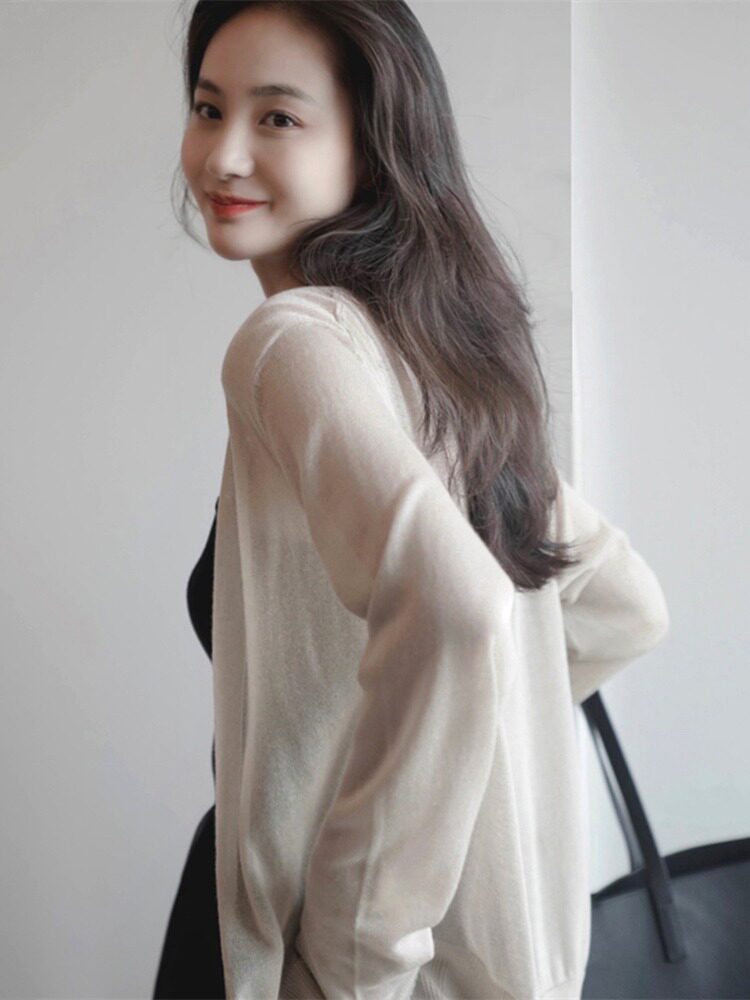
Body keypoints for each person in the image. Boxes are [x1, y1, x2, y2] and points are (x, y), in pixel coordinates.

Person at [155, 2, 671, 998]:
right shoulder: (446, 362)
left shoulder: (292, 344)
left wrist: (352, 959)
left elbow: (454, 611)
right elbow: (624, 608)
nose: (223, 156)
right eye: (209, 108)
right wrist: (455, 759)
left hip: (323, 962)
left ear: (374, 139)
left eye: (277, 117)